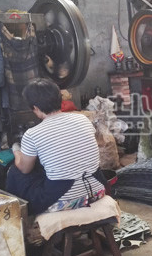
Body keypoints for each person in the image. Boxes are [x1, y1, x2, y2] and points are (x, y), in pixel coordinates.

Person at [7, 78, 107, 215]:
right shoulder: (83, 119)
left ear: (35, 108)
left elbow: (24, 169)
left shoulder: (32, 134)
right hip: (98, 190)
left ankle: (19, 217)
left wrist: (16, 150)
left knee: (15, 172)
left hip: (64, 201)